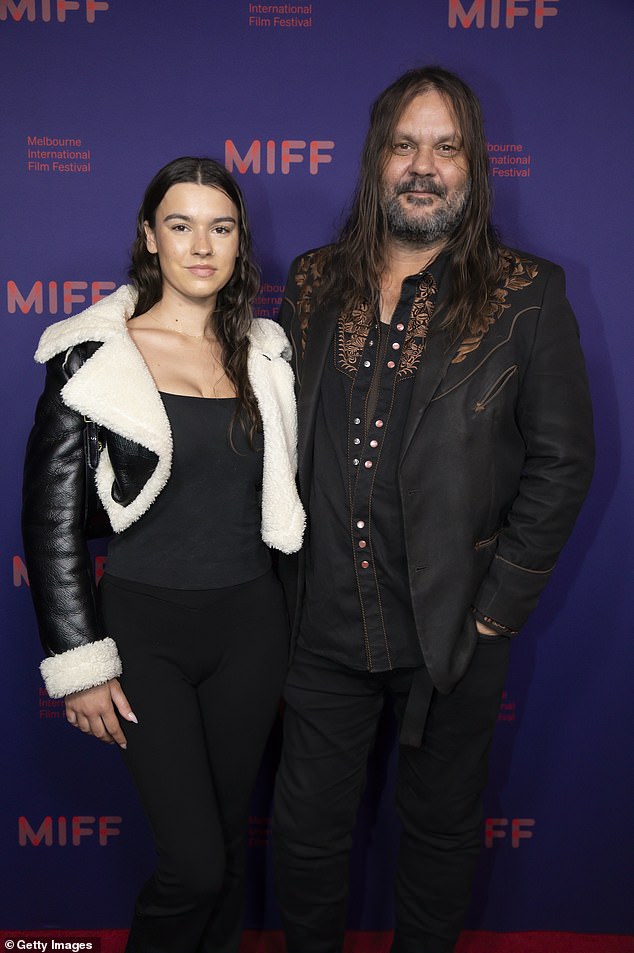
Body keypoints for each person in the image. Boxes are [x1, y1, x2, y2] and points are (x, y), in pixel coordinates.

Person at [272, 67, 594, 953]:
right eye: (405, 145)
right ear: (377, 159)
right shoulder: (311, 283)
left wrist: (495, 615)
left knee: (442, 831)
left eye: (445, 147)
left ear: (473, 165)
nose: (423, 165)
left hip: (454, 630)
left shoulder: (529, 293)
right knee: (303, 838)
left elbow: (563, 462)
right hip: (322, 625)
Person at [22, 156, 305, 953]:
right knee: (194, 867)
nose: (202, 245)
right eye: (180, 226)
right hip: (145, 632)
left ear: (239, 241)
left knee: (222, 849)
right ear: (150, 238)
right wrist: (80, 657)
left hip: (253, 629)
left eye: (221, 227)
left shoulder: (268, 354)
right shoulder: (94, 354)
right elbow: (48, 522)